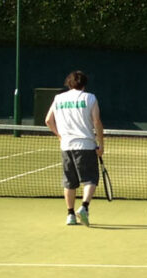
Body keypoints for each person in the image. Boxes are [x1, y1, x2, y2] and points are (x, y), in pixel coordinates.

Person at [44, 70, 105, 226]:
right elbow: (97, 122)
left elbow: (48, 120)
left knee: (69, 182)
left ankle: (70, 215)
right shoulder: (90, 98)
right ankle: (84, 207)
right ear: (84, 84)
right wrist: (101, 145)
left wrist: (60, 136)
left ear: (69, 84)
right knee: (90, 179)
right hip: (86, 145)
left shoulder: (58, 98)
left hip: (66, 146)